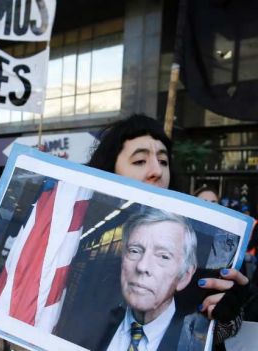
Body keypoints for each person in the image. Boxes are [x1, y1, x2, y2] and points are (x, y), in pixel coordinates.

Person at [86, 114, 249, 348]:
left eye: (163, 161)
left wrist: (227, 313)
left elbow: (214, 332)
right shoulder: (87, 252)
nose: (157, 171)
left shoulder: (209, 251)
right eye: (140, 161)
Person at [106, 209, 197, 350]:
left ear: (184, 276)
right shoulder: (90, 323)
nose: (142, 266)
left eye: (163, 256)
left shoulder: (194, 341)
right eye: (134, 251)